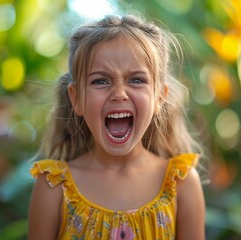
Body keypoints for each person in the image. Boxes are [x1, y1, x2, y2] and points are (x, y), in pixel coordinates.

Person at [28, 14, 205, 240]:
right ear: (76, 99)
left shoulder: (182, 184)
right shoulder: (53, 187)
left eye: (136, 80)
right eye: (100, 81)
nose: (119, 94)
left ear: (160, 97)